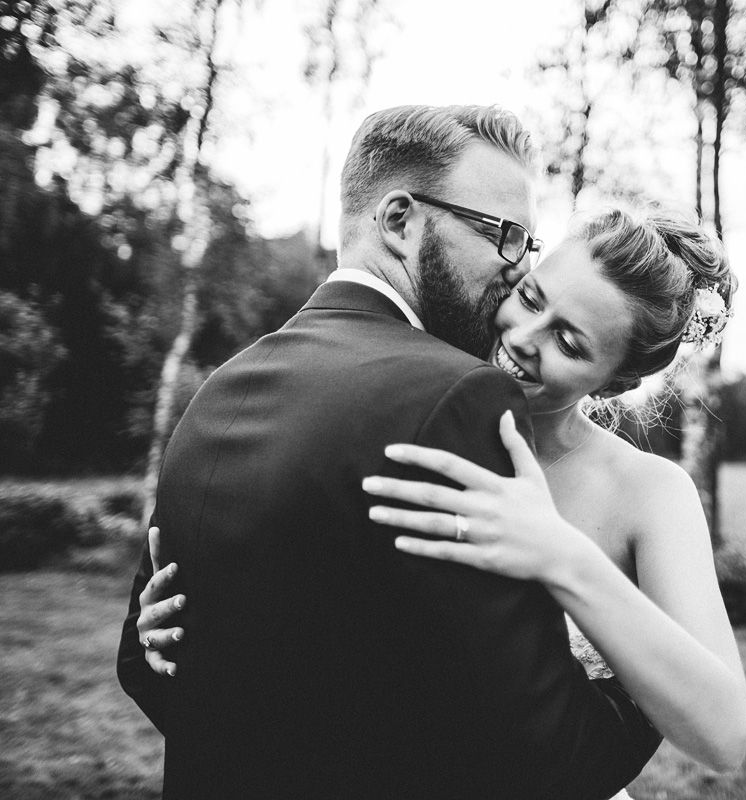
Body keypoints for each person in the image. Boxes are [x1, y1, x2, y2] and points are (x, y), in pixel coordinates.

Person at [116, 104, 662, 800]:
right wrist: (650, 688)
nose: (519, 266)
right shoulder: (460, 396)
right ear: (401, 221)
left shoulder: (221, 389)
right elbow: (541, 754)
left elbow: (147, 661)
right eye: (506, 235)